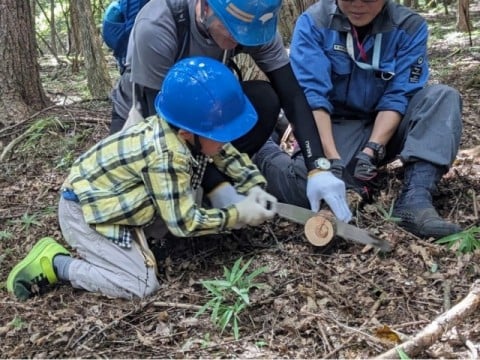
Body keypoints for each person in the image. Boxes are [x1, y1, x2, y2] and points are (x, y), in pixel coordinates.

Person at [7, 57, 277, 301]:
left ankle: (138, 241)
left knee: (189, 190)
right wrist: (236, 213)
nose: (225, 139)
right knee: (140, 284)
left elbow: (224, 152)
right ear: (186, 134)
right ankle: (56, 264)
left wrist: (253, 183)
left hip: (116, 199)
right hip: (86, 210)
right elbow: (185, 223)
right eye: (220, 133)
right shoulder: (166, 157)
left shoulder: (185, 129)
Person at [109, 0, 353, 222]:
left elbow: (292, 94)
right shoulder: (157, 25)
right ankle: (207, 185)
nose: (240, 40)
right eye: (232, 30)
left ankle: (214, 177)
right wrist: (217, 186)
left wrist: (317, 165)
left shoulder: (255, 20)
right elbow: (160, 125)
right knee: (149, 211)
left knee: (264, 100)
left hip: (206, 114)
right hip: (147, 120)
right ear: (205, 7)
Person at [254, 0, 463, 239]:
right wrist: (330, 160)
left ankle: (416, 199)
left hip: (386, 123)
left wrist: (371, 150)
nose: (358, 5)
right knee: (309, 187)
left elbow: (399, 95)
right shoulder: (314, 22)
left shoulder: (409, 26)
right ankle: (263, 148)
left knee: (443, 97)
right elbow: (312, 98)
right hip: (334, 124)